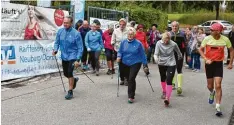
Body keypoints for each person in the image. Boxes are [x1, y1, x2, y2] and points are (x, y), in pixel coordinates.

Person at [198, 23, 234, 116]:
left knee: (218, 85)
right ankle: (212, 92)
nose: (210, 31)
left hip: (218, 64)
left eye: (212, 30)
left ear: (218, 31)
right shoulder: (207, 38)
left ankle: (218, 106)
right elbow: (200, 49)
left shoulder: (225, 39)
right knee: (210, 86)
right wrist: (206, 59)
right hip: (209, 64)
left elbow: (231, 50)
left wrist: (230, 63)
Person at [52, 16, 83, 100]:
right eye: (64, 22)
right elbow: (56, 43)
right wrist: (55, 50)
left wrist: (78, 59)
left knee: (69, 72)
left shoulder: (76, 33)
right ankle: (74, 80)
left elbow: (80, 47)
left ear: (71, 23)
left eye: (67, 23)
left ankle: (70, 91)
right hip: (64, 56)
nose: (65, 24)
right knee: (66, 73)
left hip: (73, 55)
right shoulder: (60, 31)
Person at [117, 30, 149, 103]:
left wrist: (145, 65)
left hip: (136, 62)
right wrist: (119, 56)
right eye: (129, 34)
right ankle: (132, 90)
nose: (130, 35)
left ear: (134, 35)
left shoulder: (138, 43)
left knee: (131, 78)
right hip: (125, 62)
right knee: (128, 78)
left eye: (131, 34)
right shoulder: (123, 42)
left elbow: (142, 54)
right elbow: (120, 51)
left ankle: (131, 96)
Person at [154, 32, 182, 106]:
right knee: (163, 78)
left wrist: (180, 57)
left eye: (168, 40)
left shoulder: (173, 44)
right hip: (161, 63)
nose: (166, 42)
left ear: (170, 39)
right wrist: (156, 59)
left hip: (171, 63)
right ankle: (164, 91)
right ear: (162, 38)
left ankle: (167, 98)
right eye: (165, 40)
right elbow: (156, 53)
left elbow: (179, 52)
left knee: (169, 79)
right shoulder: (158, 43)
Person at [111, 18, 129, 86]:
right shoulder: (115, 31)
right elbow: (112, 40)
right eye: (120, 24)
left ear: (126, 25)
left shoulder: (128, 31)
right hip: (118, 50)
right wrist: (113, 43)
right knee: (120, 65)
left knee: (126, 65)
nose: (122, 26)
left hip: (126, 50)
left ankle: (126, 78)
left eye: (123, 24)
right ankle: (122, 78)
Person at [169, 21, 186, 94]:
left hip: (180, 54)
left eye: (176, 26)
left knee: (179, 69)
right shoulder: (169, 34)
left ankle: (179, 87)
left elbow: (185, 45)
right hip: (170, 54)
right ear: (171, 27)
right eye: (173, 26)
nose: (174, 27)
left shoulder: (182, 34)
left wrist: (187, 55)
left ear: (178, 27)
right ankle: (172, 84)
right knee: (171, 68)